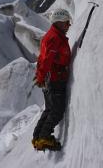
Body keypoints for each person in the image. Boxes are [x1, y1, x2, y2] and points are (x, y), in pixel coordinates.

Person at [32, 8, 72, 151]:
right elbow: (48, 60)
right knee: (56, 111)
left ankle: (37, 138)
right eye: (67, 23)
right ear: (59, 23)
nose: (69, 25)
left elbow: (42, 58)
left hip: (49, 78)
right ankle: (44, 138)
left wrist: (40, 75)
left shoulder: (51, 35)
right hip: (55, 79)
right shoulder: (55, 38)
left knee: (49, 109)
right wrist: (42, 75)